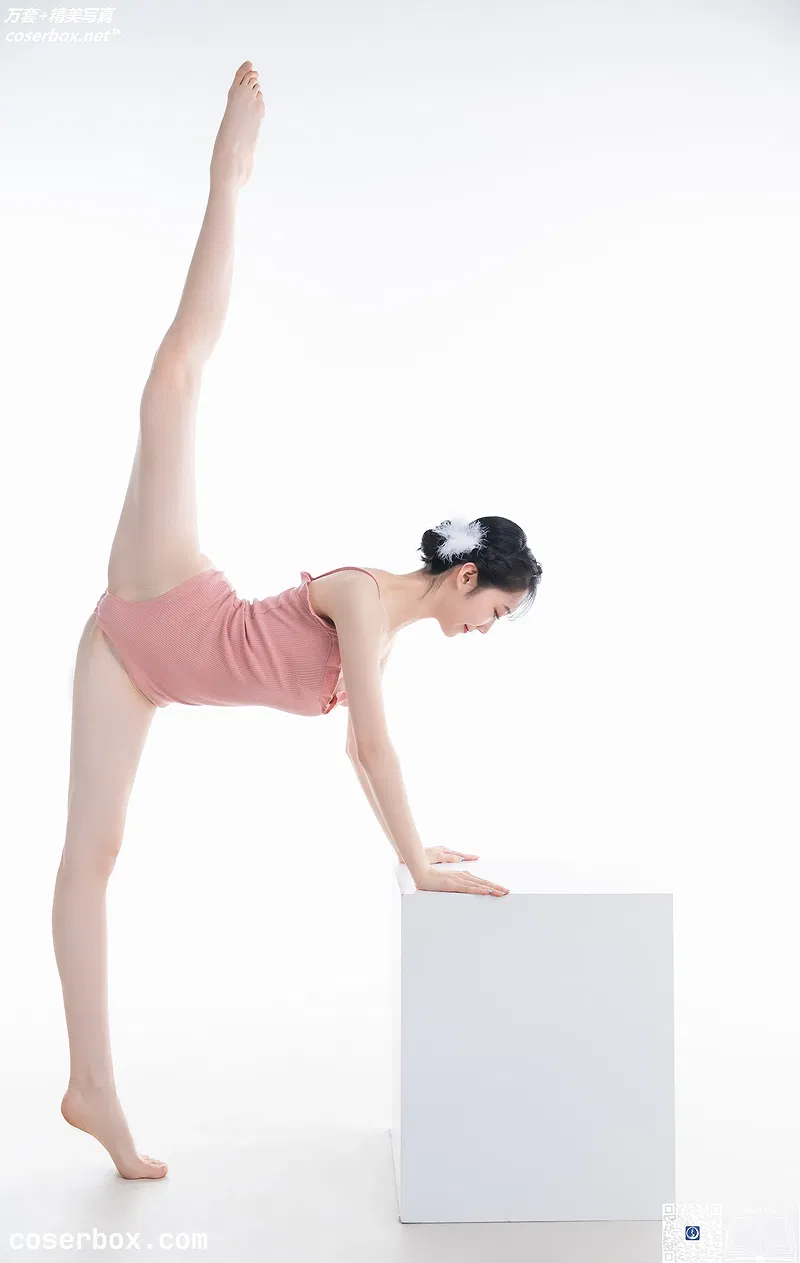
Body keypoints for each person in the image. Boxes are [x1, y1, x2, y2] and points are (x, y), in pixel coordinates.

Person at [51, 60, 544, 1181]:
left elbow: (365, 759)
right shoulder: (364, 598)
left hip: (136, 666)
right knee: (174, 381)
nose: (488, 631)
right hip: (165, 597)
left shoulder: (386, 635)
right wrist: (417, 862)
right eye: (497, 611)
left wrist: (417, 842)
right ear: (468, 576)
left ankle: (90, 1086)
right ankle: (230, 170)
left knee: (94, 853)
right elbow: (370, 745)